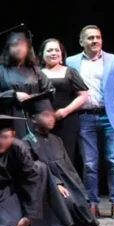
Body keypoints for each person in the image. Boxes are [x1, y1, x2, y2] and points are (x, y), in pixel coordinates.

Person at [66, 25, 114, 219]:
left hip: (110, 116)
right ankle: (92, 203)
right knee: (89, 164)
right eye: (90, 38)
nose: (95, 41)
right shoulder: (71, 62)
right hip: (84, 117)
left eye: (98, 37)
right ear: (82, 42)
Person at [21, 92, 99, 226]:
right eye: (45, 115)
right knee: (68, 201)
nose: (51, 119)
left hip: (66, 183)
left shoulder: (57, 140)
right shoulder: (27, 142)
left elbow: (69, 169)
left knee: (80, 202)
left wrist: (80, 190)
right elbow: (33, 170)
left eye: (52, 114)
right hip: (46, 187)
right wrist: (55, 183)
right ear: (33, 118)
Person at [0, 25, 54, 139]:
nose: (19, 48)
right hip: (10, 119)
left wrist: (33, 98)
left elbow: (50, 91)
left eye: (22, 45)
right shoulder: (0, 71)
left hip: (33, 119)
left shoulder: (35, 70)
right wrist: (14, 95)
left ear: (28, 48)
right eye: (14, 45)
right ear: (8, 48)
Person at [38, 38, 89, 167]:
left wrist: (65, 111)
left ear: (61, 54)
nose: (54, 53)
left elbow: (83, 95)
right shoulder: (36, 73)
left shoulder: (70, 72)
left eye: (57, 50)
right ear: (42, 55)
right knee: (44, 158)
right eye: (49, 50)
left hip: (67, 121)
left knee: (66, 158)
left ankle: (67, 187)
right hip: (42, 122)